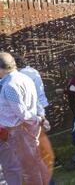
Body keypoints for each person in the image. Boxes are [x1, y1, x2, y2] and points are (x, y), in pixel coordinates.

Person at [0, 52, 50, 185]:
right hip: (25, 130)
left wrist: (39, 120)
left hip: (17, 132)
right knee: (33, 166)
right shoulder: (25, 77)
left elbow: (23, 114)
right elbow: (36, 103)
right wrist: (40, 119)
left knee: (23, 169)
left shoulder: (10, 85)